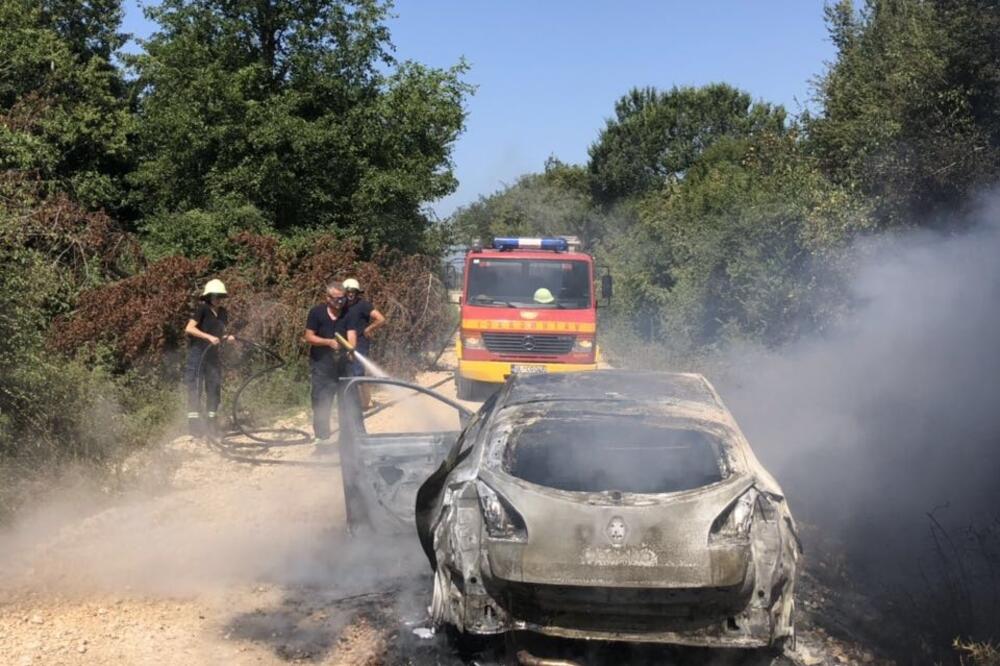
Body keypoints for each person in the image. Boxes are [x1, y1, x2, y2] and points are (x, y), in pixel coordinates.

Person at [304, 282, 357, 448]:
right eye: (336, 299)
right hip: (322, 367)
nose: (340, 302)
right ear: (327, 298)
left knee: (347, 401)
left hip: (343, 367)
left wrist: (350, 348)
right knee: (321, 402)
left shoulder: (349, 313)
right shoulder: (316, 313)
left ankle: (348, 438)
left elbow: (352, 335)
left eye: (342, 299)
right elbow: (309, 337)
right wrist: (328, 342)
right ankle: (322, 437)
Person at [184, 279, 235, 437]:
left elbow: (219, 334)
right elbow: (189, 328)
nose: (218, 299)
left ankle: (212, 425)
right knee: (195, 388)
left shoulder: (223, 313)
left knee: (214, 387)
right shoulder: (202, 309)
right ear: (209, 296)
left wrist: (228, 337)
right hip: (198, 353)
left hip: (213, 355)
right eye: (215, 296)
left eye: (221, 296)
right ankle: (194, 428)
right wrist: (208, 337)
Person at [342, 278, 386, 409]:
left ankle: (366, 404)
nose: (350, 294)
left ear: (357, 292)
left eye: (353, 291)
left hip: (360, 343)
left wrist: (368, 329)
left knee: (359, 373)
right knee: (347, 373)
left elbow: (381, 319)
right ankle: (353, 402)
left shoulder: (363, 305)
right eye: (348, 291)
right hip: (345, 342)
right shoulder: (342, 306)